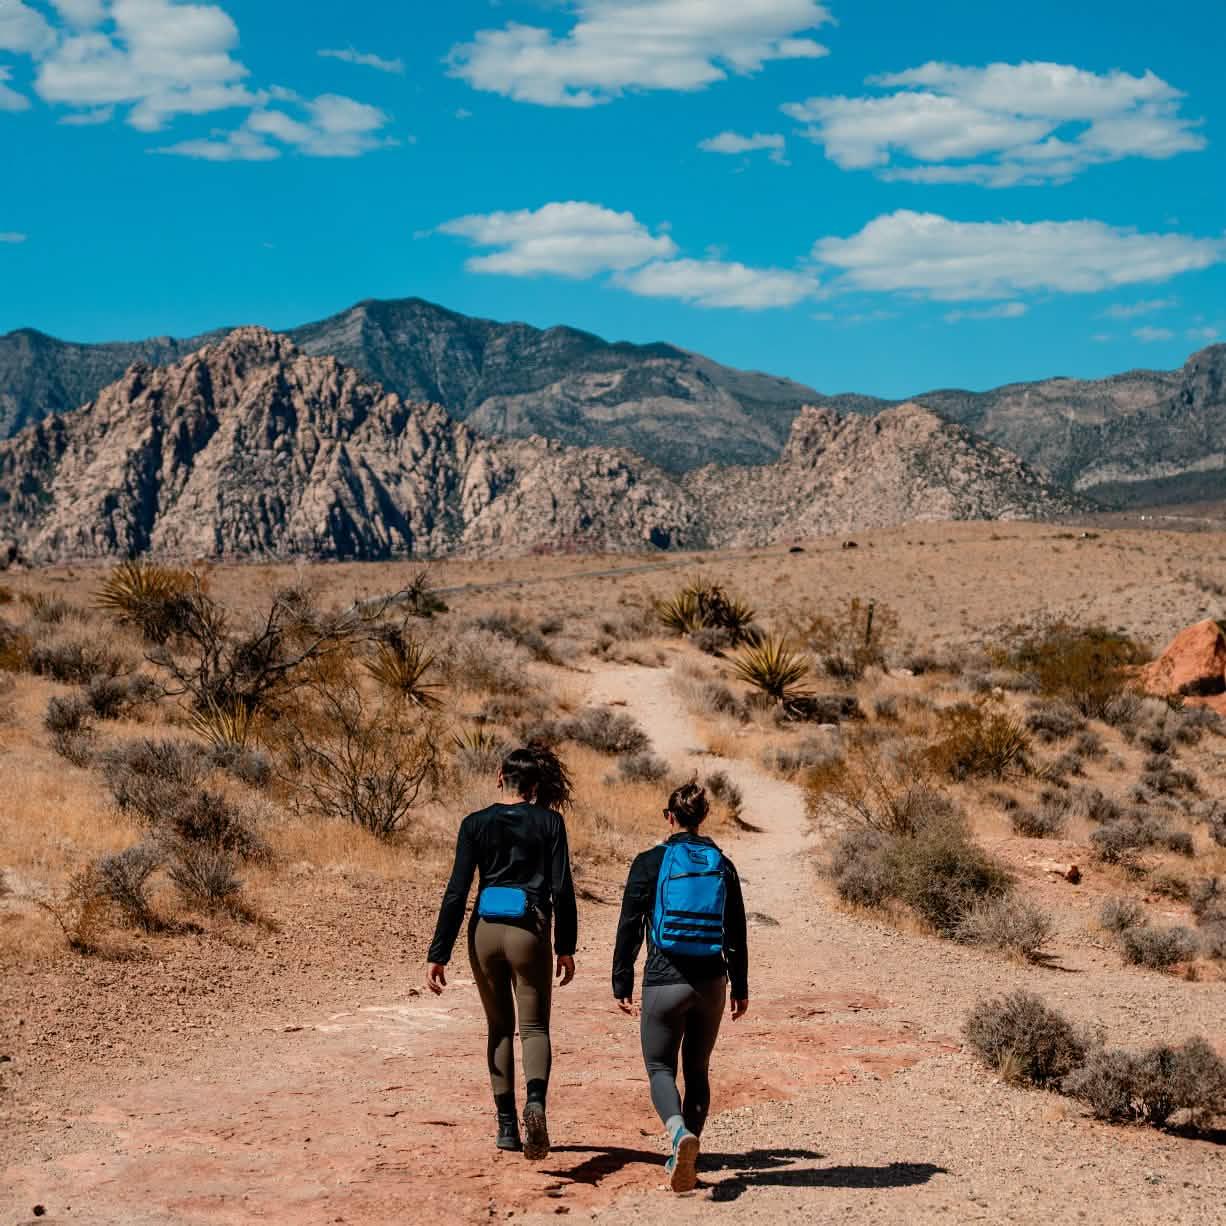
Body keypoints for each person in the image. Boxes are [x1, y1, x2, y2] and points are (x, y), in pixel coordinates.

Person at [427, 745, 578, 1160]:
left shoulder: (474, 824)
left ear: (499, 777)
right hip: (529, 930)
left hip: (485, 931)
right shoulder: (550, 823)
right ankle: (536, 1104)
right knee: (533, 1028)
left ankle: (507, 1128)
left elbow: (457, 892)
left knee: (498, 1029)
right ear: (534, 787)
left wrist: (438, 952)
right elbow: (562, 889)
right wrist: (566, 946)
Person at [612, 782, 749, 1193]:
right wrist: (740, 985)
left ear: (668, 817)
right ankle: (688, 1150)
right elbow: (736, 933)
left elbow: (629, 926)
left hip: (664, 980)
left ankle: (677, 1136)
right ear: (703, 817)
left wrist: (622, 978)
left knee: (659, 1067)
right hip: (711, 983)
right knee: (698, 1070)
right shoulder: (721, 864)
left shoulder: (649, 862)